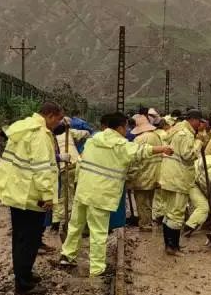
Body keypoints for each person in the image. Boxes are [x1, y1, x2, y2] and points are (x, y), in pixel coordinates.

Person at [59, 112, 172, 276]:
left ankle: (67, 255)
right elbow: (140, 151)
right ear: (119, 127)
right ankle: (97, 268)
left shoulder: (93, 140)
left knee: (76, 225)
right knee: (98, 231)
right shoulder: (119, 144)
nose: (126, 130)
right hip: (101, 193)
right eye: (126, 127)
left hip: (84, 190)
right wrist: (163, 148)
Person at [0, 101, 64, 295]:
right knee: (29, 240)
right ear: (50, 115)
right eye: (58, 119)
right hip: (31, 196)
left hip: (17, 192)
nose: (58, 124)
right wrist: (48, 195)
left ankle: (24, 274)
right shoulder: (40, 135)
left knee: (20, 238)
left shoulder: (22, 128)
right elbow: (41, 169)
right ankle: (23, 284)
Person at [159, 109, 203, 255]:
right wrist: (198, 144)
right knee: (177, 213)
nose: (200, 125)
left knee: (169, 212)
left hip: (169, 176)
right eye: (199, 121)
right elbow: (187, 155)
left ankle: (169, 245)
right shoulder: (187, 134)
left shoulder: (176, 130)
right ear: (194, 120)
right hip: (178, 178)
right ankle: (173, 247)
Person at [126, 114, 163, 230]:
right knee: (149, 201)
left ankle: (145, 224)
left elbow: (134, 157)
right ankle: (149, 221)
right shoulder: (156, 136)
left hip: (142, 174)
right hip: (155, 173)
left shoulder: (139, 139)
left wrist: (128, 175)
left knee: (142, 202)